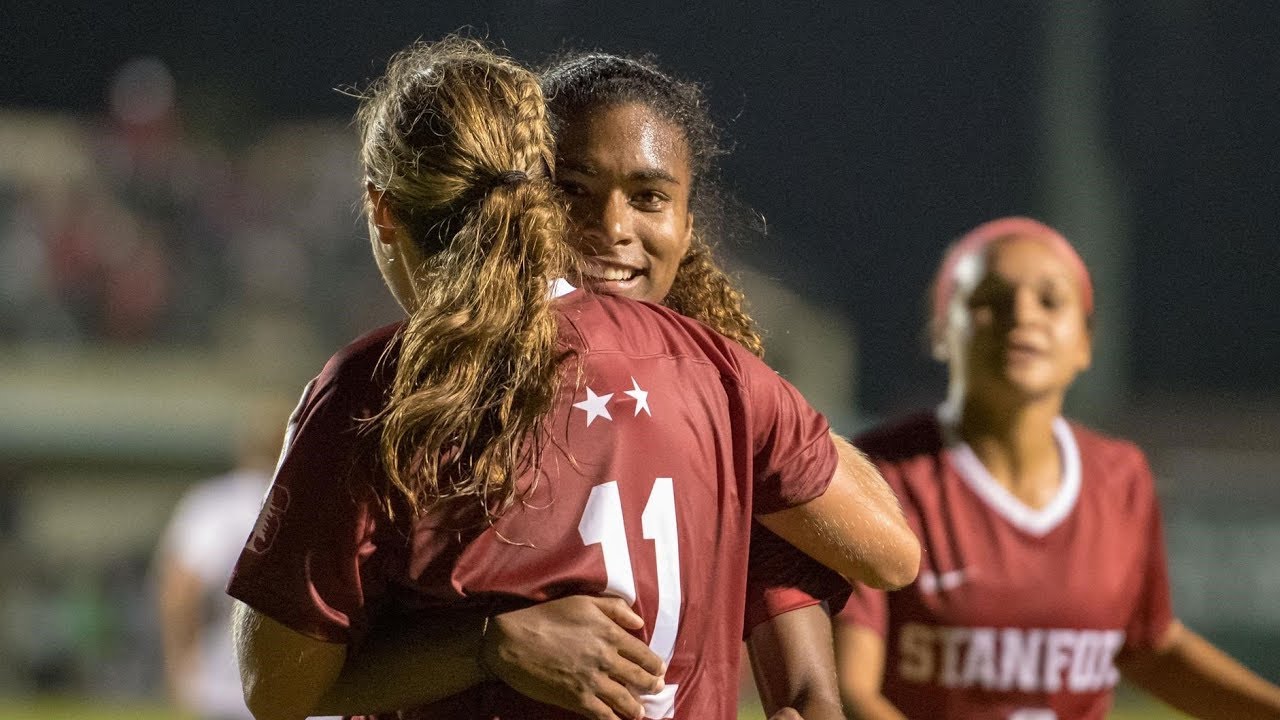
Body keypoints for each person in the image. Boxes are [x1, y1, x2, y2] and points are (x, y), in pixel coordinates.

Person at [226, 37, 918, 720]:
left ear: (381, 207)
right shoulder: (721, 377)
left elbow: (276, 689)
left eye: (647, 196)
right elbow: (890, 552)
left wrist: (483, 646)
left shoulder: (381, 386)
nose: (612, 228)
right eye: (577, 191)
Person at [822, 217, 1280, 718]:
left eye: (1050, 300)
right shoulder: (880, 475)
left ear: (1085, 342)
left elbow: (1148, 647)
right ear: (940, 330)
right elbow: (852, 692)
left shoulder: (1121, 477)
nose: (1023, 315)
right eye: (990, 299)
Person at [155, 399, 319, 720]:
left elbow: (179, 593)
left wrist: (179, 667)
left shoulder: (216, 504)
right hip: (308, 689)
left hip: (227, 686)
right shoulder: (318, 502)